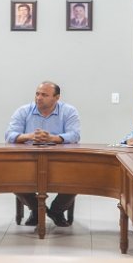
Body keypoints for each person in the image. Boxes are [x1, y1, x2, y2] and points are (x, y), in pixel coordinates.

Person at [5, 81, 81, 227]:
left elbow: (75, 135)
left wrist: (53, 138)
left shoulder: (69, 111)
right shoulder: (23, 110)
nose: (39, 97)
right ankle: (36, 210)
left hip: (61, 160)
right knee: (12, 179)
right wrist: (29, 136)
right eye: (37, 94)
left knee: (77, 180)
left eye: (44, 95)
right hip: (28, 160)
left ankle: (56, 211)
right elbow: (9, 135)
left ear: (56, 97)